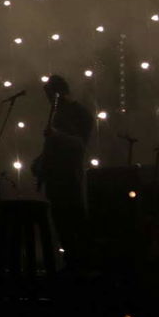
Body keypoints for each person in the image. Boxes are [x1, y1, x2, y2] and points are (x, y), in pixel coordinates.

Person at [32, 75, 94, 267]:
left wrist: (56, 135)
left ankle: (83, 264)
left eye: (50, 95)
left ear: (57, 93)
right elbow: (52, 146)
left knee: (74, 222)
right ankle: (73, 262)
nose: (48, 100)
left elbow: (80, 145)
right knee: (62, 226)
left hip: (69, 177)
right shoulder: (58, 113)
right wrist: (39, 163)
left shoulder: (79, 113)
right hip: (56, 178)